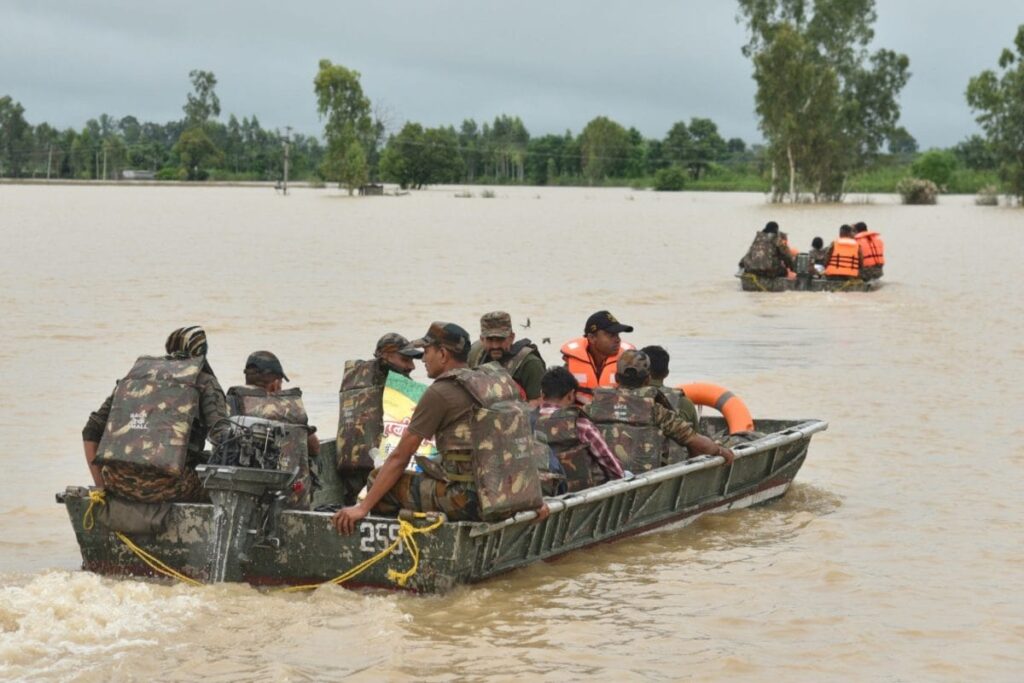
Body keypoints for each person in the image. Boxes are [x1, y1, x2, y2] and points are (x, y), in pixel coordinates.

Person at [332, 322, 549, 534]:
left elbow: (399, 456)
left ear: (443, 354)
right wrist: (532, 499)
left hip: (468, 500)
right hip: (510, 493)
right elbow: (520, 439)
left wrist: (362, 507)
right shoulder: (492, 381)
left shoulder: (440, 392)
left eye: (427, 351)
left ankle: (402, 545)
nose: (423, 359)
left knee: (378, 479)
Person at [82, 326, 229, 503]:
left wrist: (101, 486)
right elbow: (224, 440)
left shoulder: (136, 378)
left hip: (116, 483)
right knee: (218, 479)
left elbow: (90, 430)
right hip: (171, 487)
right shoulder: (205, 382)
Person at [587, 350, 734, 473]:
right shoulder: (655, 410)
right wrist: (720, 452)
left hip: (603, 479)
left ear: (617, 378)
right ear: (647, 380)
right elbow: (695, 441)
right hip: (644, 481)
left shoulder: (593, 406)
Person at [335, 333, 423, 505]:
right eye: (405, 359)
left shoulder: (355, 376)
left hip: (347, 462)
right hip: (376, 466)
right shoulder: (399, 387)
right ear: (386, 356)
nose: (411, 366)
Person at [225, 351, 319, 509]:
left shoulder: (232, 401)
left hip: (243, 502)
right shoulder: (290, 408)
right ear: (275, 384)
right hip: (291, 501)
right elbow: (315, 448)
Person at [534, 366, 625, 492]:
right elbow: (609, 463)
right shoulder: (579, 423)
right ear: (571, 395)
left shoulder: (526, 422)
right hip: (580, 498)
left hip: (541, 498)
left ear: (542, 395)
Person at [467, 311, 545, 405]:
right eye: (490, 339)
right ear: (482, 339)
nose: (495, 346)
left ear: (512, 337)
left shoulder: (530, 363)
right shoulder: (475, 355)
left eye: (500, 339)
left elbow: (537, 403)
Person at [560, 310, 636, 404]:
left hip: (614, 415)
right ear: (592, 338)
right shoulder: (569, 366)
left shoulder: (628, 364)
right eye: (611, 335)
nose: (618, 340)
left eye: (617, 335)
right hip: (580, 415)